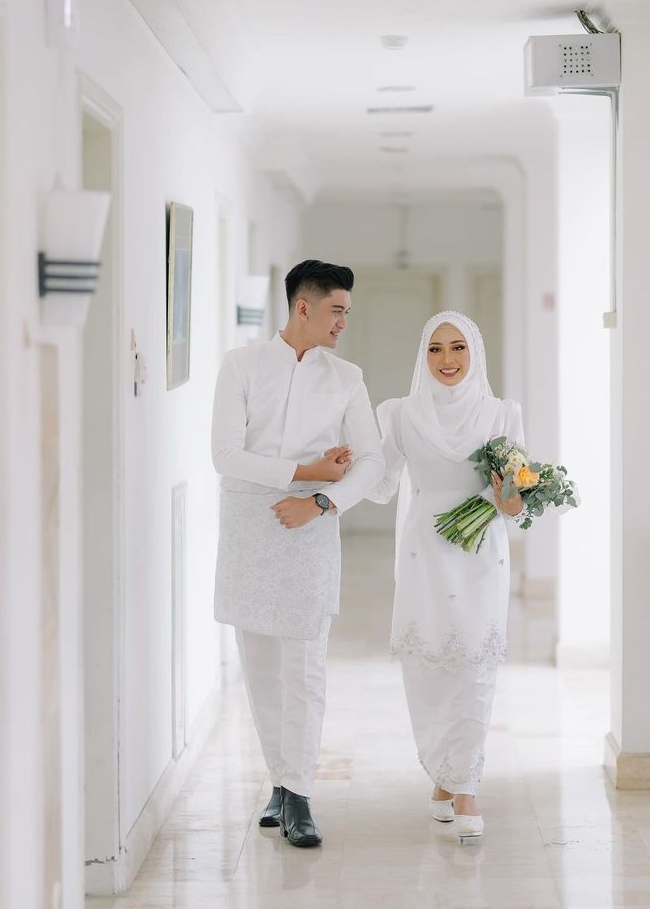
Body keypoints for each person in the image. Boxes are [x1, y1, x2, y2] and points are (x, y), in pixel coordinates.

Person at [211, 259, 384, 848]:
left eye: (348, 312)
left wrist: (321, 501)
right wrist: (306, 469)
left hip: (311, 527)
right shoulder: (240, 366)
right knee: (260, 666)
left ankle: (301, 792)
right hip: (249, 526)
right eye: (337, 310)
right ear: (302, 307)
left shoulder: (347, 378)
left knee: (305, 666)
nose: (343, 322)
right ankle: (279, 783)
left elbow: (371, 461)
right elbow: (226, 455)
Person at [368, 310, 525, 842]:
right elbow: (381, 482)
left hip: (481, 551)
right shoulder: (400, 414)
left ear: (474, 352)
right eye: (435, 349)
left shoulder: (501, 414)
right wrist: (335, 465)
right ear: (422, 356)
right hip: (424, 553)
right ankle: (443, 772)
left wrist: (509, 501)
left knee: (475, 664)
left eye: (457, 347)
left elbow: (515, 503)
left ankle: (465, 786)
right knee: (429, 664)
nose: (447, 360)